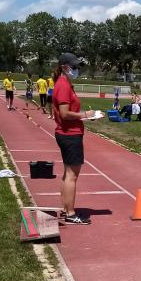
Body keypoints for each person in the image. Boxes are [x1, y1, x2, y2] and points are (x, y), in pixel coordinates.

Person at [52, 53, 92, 225]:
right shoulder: (63, 85)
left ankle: (65, 208)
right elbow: (64, 114)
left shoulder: (65, 84)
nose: (77, 70)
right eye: (74, 66)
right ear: (64, 67)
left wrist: (84, 117)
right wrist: (85, 115)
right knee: (71, 176)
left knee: (67, 174)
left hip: (68, 133)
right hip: (70, 135)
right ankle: (70, 213)